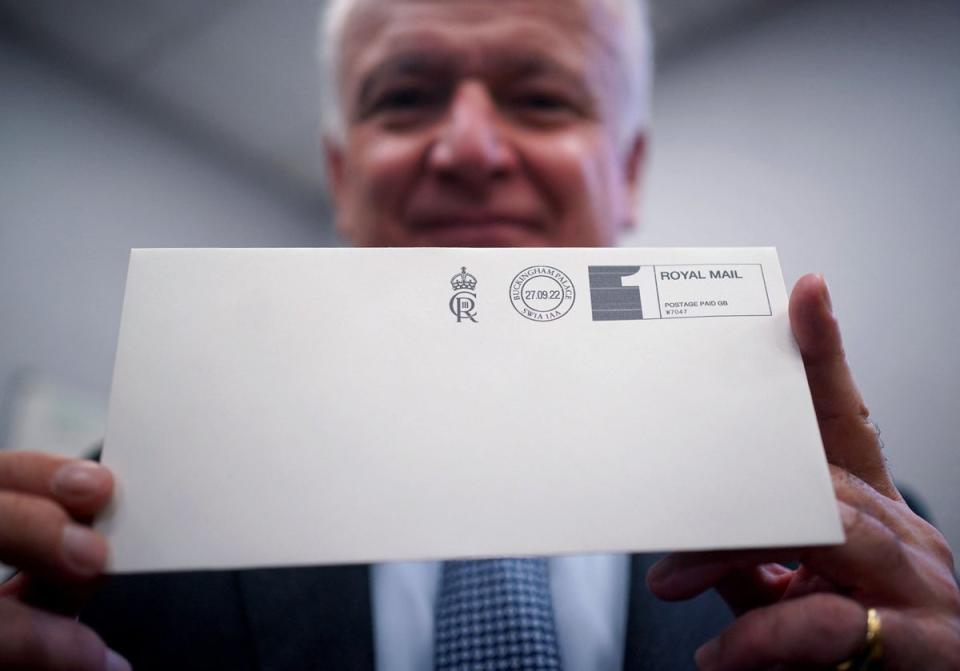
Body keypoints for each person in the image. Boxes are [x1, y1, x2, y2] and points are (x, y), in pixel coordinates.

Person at [1, 0, 958, 669]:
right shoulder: (121, 517)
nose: (466, 148)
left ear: (625, 171)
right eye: (403, 99)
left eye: (541, 99)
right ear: (340, 174)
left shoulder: (846, 533)